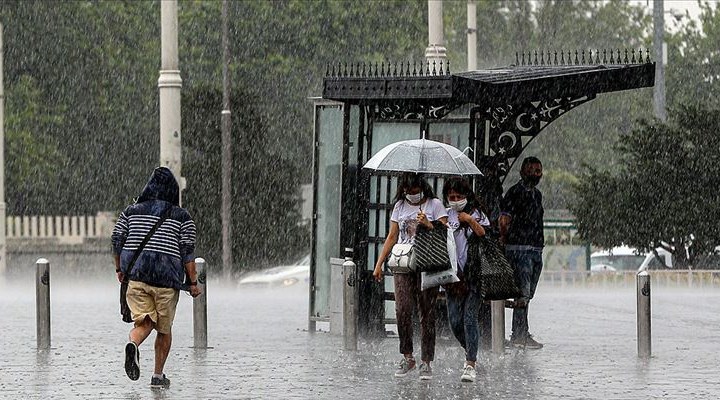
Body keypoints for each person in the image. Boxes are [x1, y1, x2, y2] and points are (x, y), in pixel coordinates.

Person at [112, 166, 201, 388]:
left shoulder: (131, 212)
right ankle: (158, 376)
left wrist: (119, 269)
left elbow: (116, 240)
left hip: (137, 277)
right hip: (167, 281)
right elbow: (187, 253)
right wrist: (192, 283)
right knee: (164, 329)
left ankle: (133, 342)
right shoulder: (182, 217)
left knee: (145, 321)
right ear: (174, 191)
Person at [372, 173, 448, 381]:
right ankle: (407, 356)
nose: (412, 195)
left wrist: (428, 224)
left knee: (427, 312)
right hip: (404, 263)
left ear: (422, 188)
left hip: (427, 263)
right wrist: (379, 263)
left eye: (415, 191)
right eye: (408, 191)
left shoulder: (434, 205)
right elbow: (392, 235)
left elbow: (445, 233)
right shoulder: (399, 206)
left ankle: (426, 360)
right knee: (402, 308)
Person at [442, 177, 490, 382]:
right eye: (451, 197)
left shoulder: (477, 213)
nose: (455, 200)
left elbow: (484, 234)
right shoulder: (445, 214)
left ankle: (471, 362)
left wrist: (469, 220)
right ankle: (471, 349)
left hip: (475, 275)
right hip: (454, 276)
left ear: (466, 195)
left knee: (469, 318)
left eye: (459, 196)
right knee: (454, 321)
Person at [499, 156, 545, 349]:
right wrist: (505, 240)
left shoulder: (537, 195)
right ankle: (519, 333)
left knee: (528, 294)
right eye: (532, 170)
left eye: (538, 171)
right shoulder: (514, 193)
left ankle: (521, 331)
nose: (536, 174)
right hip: (519, 250)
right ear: (522, 172)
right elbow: (504, 221)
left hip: (535, 249)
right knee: (522, 293)